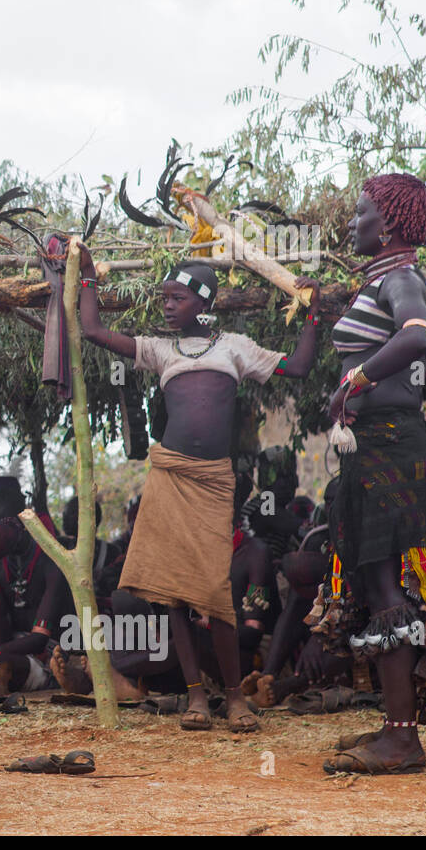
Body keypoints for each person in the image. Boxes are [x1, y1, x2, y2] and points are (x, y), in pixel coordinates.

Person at [76, 239, 320, 732]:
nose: (167, 306)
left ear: (204, 303)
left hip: (212, 483)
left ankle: (233, 697)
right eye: (164, 298)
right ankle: (195, 699)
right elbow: (92, 329)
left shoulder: (234, 347)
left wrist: (313, 315)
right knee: (171, 594)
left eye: (177, 299)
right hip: (168, 475)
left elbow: (297, 366)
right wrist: (86, 279)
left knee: (213, 592)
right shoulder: (160, 350)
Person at [303, 173, 426, 774]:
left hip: (389, 448)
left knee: (383, 587)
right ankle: (394, 726)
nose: (352, 223)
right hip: (381, 447)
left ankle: (402, 740)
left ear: (390, 224)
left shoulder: (398, 278)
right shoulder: (395, 280)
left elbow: (417, 335)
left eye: (361, 213)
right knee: (378, 583)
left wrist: (354, 381)